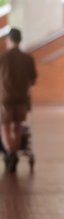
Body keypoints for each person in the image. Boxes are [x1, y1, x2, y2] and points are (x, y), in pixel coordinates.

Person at [0, 28, 37, 173]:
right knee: (17, 127)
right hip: (22, 98)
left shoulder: (3, 57)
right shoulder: (28, 58)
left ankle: (10, 153)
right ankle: (14, 154)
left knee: (5, 127)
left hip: (5, 98)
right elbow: (33, 80)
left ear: (9, 39)